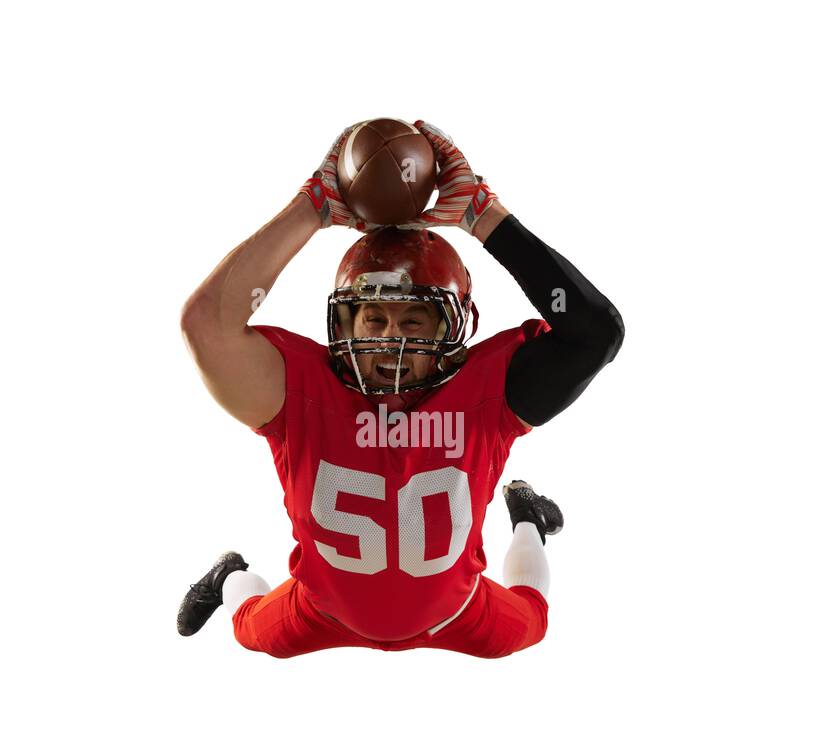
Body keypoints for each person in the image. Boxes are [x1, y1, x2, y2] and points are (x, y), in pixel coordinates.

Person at [177, 120, 623, 658]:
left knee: (531, 620)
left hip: (456, 611)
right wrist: (312, 207)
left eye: (414, 322)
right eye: (375, 320)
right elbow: (206, 324)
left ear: (453, 328)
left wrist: (482, 214)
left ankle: (527, 517)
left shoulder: (486, 396)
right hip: (319, 606)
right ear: (343, 325)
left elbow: (595, 332)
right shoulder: (299, 394)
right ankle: (229, 574)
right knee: (250, 629)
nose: (392, 342)